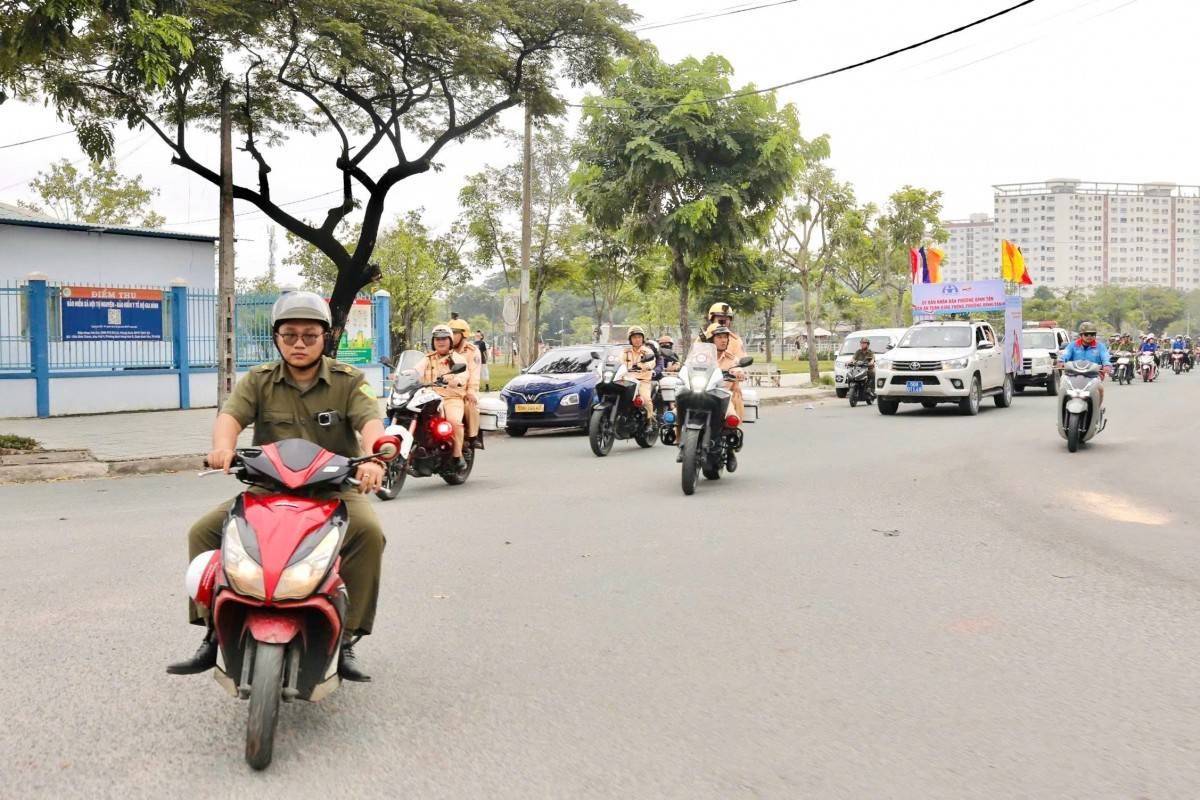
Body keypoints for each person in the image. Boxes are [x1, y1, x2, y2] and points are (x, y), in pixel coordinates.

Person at [168, 292, 387, 682]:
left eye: (309, 335)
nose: (299, 343)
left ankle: (348, 636)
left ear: (326, 337)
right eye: (289, 335)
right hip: (270, 487)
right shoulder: (259, 379)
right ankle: (212, 632)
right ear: (276, 338)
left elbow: (370, 423)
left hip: (334, 487)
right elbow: (231, 416)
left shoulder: (349, 381)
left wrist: (373, 458)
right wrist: (222, 448)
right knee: (202, 531)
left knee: (369, 533)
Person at [414, 325, 470, 468]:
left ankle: (458, 456)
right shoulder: (428, 359)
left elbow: (463, 375)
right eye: (437, 339)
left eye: (444, 338)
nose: (441, 342)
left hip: (451, 398)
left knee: (453, 421)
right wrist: (402, 375)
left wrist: (455, 380)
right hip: (429, 397)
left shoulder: (456, 359)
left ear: (450, 340)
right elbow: (415, 371)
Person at [447, 318, 482, 447]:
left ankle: (473, 436)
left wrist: (471, 391)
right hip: (446, 389)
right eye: (449, 332)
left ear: (464, 334)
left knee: (469, 405)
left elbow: (474, 373)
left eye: (454, 333)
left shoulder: (473, 351)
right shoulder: (445, 348)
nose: (451, 336)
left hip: (466, 389)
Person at [1058, 321, 1110, 404]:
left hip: (1093, 375)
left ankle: (1097, 409)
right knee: (1063, 384)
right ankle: (1063, 408)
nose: (1089, 336)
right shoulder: (1072, 345)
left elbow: (1105, 357)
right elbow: (1065, 354)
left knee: (1100, 389)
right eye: (1086, 334)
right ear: (1081, 335)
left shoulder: (1100, 346)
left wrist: (1107, 365)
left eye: (1092, 334)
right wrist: (1061, 361)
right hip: (1073, 374)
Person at [623, 326, 656, 421]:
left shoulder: (647, 351)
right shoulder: (625, 351)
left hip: (642, 381)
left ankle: (650, 421)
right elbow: (619, 361)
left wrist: (645, 366)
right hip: (627, 380)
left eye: (639, 337)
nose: (637, 340)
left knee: (645, 399)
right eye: (634, 337)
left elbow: (651, 362)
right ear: (630, 339)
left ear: (642, 338)